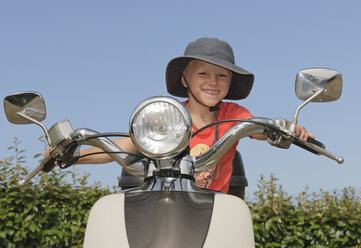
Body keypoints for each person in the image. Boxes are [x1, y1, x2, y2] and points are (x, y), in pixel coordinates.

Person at [45, 37, 314, 193]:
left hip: (215, 207)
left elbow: (254, 127)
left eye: (222, 75)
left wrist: (283, 128)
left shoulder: (233, 114)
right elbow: (124, 146)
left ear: (230, 82)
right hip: (164, 204)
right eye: (203, 73)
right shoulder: (166, 116)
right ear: (185, 78)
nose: (213, 81)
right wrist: (74, 156)